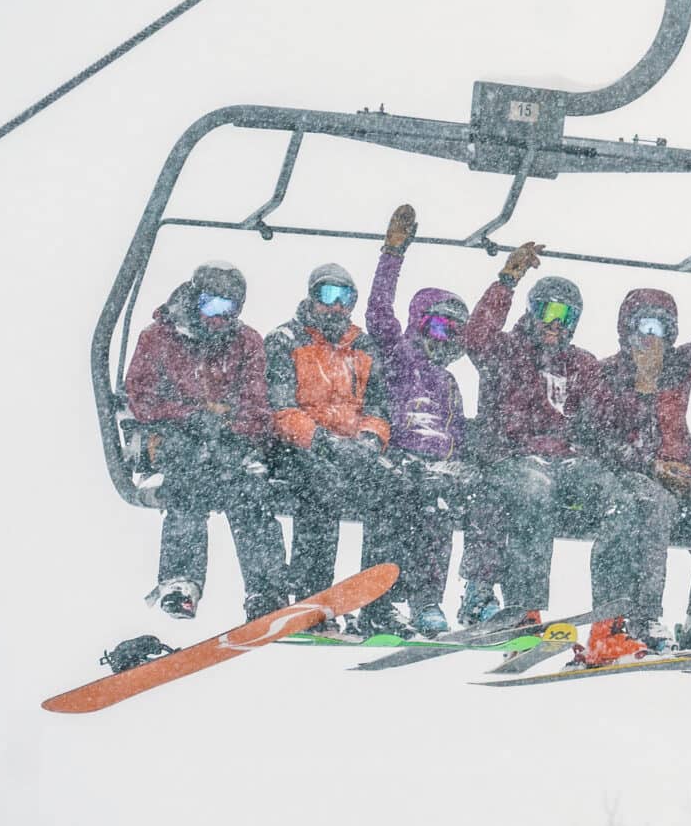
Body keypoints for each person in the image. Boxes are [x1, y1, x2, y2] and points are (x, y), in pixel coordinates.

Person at [457, 241, 632, 622]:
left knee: (622, 499)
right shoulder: (505, 351)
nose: (556, 322)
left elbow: (603, 420)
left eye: (567, 316)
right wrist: (507, 281)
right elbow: (476, 335)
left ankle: (611, 613)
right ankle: (525, 606)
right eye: (548, 311)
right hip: (513, 458)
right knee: (535, 492)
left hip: (567, 461)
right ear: (532, 312)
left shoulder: (581, 364)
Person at [580, 270, 691, 648]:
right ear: (626, 330)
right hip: (632, 471)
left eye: (660, 328)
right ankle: (644, 616)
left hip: (678, 469)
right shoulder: (607, 374)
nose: (650, 336)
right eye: (643, 325)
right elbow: (598, 435)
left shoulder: (677, 368)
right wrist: (647, 462)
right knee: (654, 506)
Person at [122, 262, 290, 620]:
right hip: (176, 437)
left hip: (229, 442)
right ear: (195, 298)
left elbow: (257, 404)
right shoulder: (160, 337)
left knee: (249, 491)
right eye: (211, 305)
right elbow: (141, 396)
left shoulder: (246, 343)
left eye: (228, 309)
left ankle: (267, 591)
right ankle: (180, 583)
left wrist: (228, 424)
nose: (218, 317)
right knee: (187, 482)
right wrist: (192, 415)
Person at [266, 260, 407, 634]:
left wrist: (369, 441)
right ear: (312, 298)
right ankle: (314, 600)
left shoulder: (361, 346)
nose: (336, 306)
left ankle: (379, 604)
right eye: (328, 296)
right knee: (321, 488)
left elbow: (379, 407)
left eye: (345, 298)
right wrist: (322, 442)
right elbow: (281, 407)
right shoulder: (286, 340)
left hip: (351, 445)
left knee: (396, 489)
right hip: (298, 446)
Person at [365, 203, 473, 631]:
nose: (445, 341)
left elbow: (457, 432)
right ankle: (380, 599)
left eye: (455, 335)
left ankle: (427, 599)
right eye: (440, 328)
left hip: (435, 466)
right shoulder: (399, 354)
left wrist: (458, 464)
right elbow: (378, 312)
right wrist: (393, 253)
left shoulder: (448, 382)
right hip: (397, 457)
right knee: (394, 499)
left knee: (436, 506)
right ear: (422, 323)